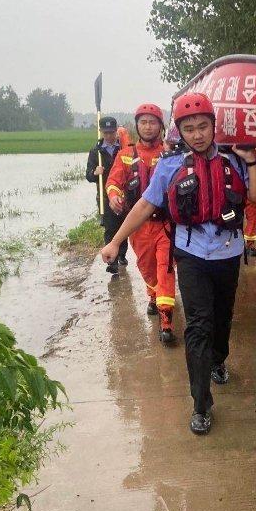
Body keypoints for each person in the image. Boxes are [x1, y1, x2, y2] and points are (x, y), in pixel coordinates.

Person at [100, 92, 256, 435]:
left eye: (203, 126)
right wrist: (115, 242)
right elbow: (144, 206)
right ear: (180, 132)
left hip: (229, 253)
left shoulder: (234, 161)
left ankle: (219, 359)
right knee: (198, 326)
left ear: (213, 127)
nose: (197, 134)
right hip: (191, 256)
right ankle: (201, 404)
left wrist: (251, 161)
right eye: (189, 128)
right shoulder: (171, 166)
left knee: (222, 320)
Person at [106, 103, 176, 345]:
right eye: (143, 122)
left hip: (165, 223)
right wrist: (113, 196)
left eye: (153, 122)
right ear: (137, 126)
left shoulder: (169, 153)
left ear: (161, 126)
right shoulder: (125, 154)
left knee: (165, 267)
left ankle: (166, 322)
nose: (148, 126)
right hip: (138, 227)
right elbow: (113, 181)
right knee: (147, 267)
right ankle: (153, 295)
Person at [86, 116, 128, 275]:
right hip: (105, 197)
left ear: (116, 131)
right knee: (110, 228)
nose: (109, 136)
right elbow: (88, 176)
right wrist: (95, 173)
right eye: (106, 133)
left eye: (112, 132)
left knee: (124, 226)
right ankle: (112, 261)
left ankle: (122, 253)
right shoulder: (95, 151)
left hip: (123, 195)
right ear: (101, 132)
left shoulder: (123, 149)